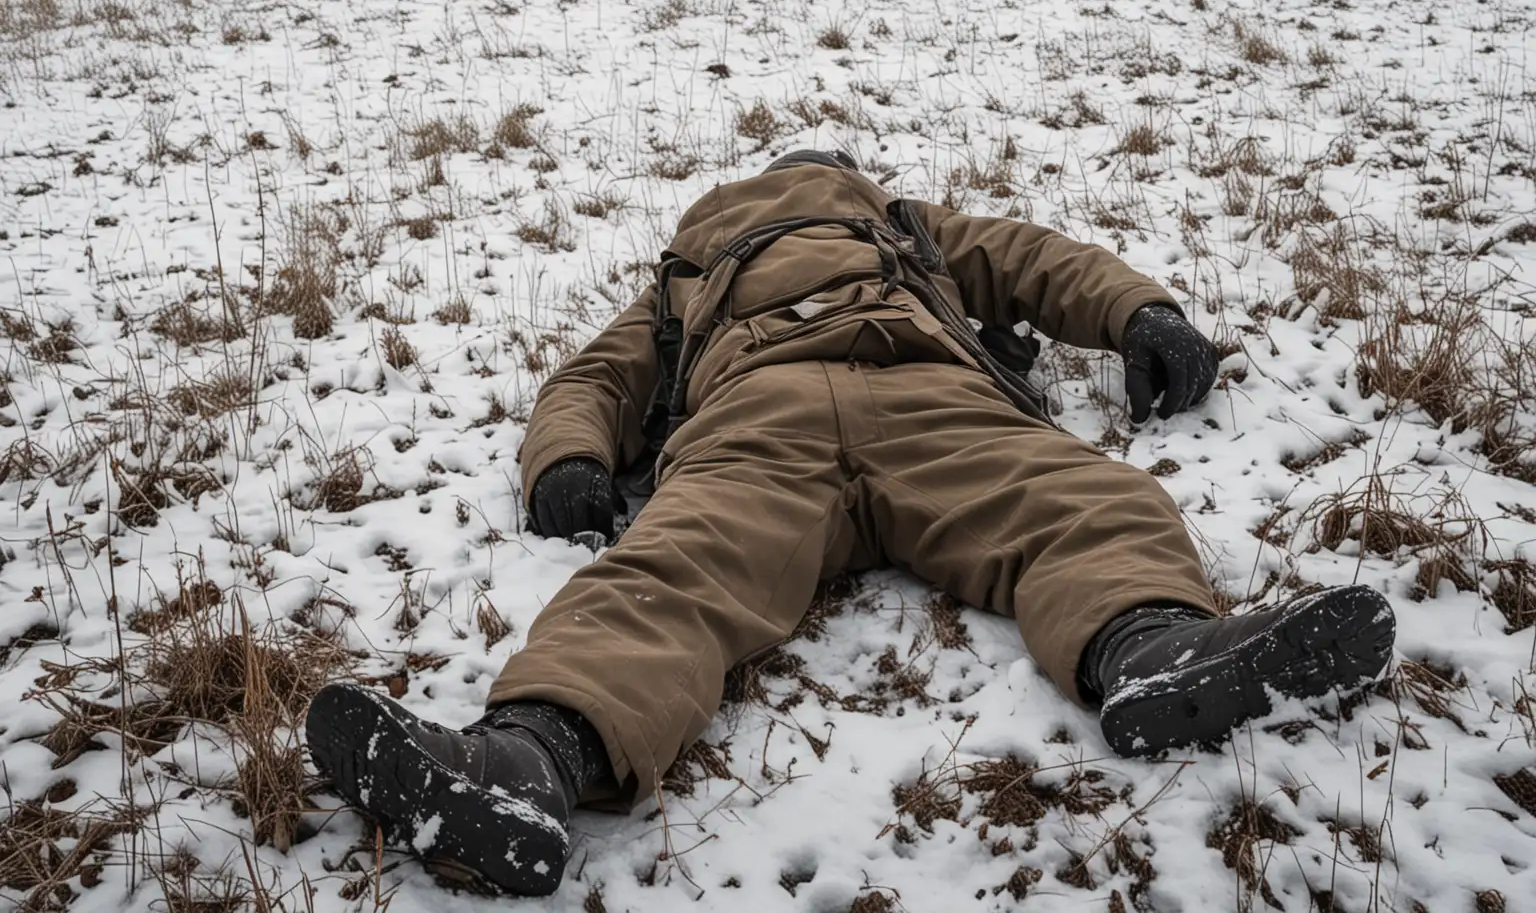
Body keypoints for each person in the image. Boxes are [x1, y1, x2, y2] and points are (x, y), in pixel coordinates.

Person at [306, 150, 1394, 896]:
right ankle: (528, 763)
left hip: (779, 418)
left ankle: (532, 756)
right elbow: (1037, 260)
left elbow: (1033, 261)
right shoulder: (758, 267)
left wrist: (1141, 309)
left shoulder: (784, 259)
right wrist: (569, 457)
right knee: (1071, 503)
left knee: (680, 573)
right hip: (888, 404)